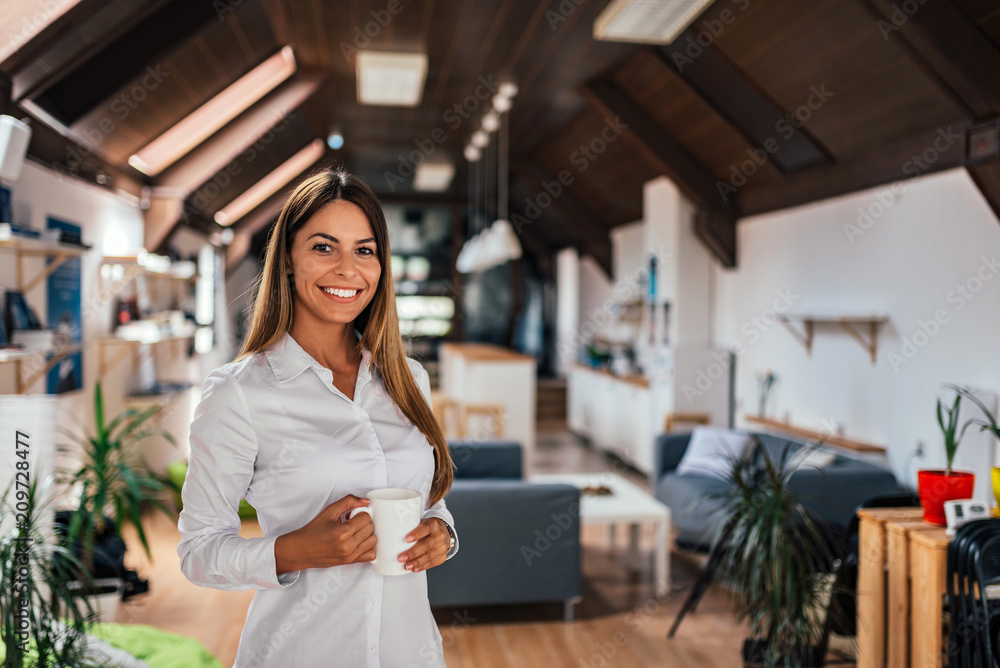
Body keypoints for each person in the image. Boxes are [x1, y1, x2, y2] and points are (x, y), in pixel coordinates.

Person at [177, 168, 457, 668]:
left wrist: (443, 534)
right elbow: (198, 552)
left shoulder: (410, 379)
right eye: (324, 247)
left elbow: (430, 504)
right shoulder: (239, 394)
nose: (348, 269)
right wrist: (292, 551)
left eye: (365, 250)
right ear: (288, 259)